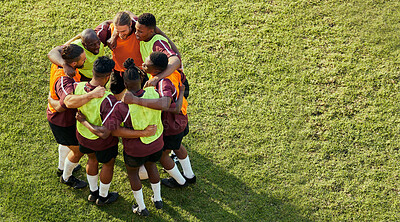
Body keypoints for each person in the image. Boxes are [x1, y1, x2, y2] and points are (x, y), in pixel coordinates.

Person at [123, 52, 195, 188]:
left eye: (146, 64)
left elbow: (166, 105)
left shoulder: (163, 83)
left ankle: (181, 181)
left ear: (156, 70)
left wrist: (136, 100)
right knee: (177, 145)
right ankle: (190, 175)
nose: (143, 65)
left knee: (162, 155)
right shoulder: (171, 74)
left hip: (172, 124)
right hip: (181, 118)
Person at [47, 44, 103, 189]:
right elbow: (67, 102)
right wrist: (91, 95)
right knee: (78, 150)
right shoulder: (64, 79)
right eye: (83, 60)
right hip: (61, 119)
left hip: (60, 115)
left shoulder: (61, 61)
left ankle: (61, 167)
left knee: (66, 143)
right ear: (73, 63)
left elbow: (53, 51)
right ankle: (67, 177)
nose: (85, 61)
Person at [69, 56, 120, 205]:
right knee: (108, 164)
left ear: (93, 71)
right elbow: (104, 133)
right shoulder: (108, 99)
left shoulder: (79, 87)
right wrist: (85, 121)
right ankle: (103, 196)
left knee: (91, 159)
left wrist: (83, 122)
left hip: (83, 137)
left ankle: (93, 192)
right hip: (102, 142)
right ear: (108, 76)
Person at [95, 11, 181, 100]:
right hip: (118, 70)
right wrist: (114, 35)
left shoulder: (147, 35)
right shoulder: (117, 28)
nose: (136, 33)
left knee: (141, 97)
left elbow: (175, 60)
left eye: (123, 31)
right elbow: (122, 14)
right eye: (118, 31)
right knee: (117, 95)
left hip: (140, 72)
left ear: (130, 25)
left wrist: (156, 78)